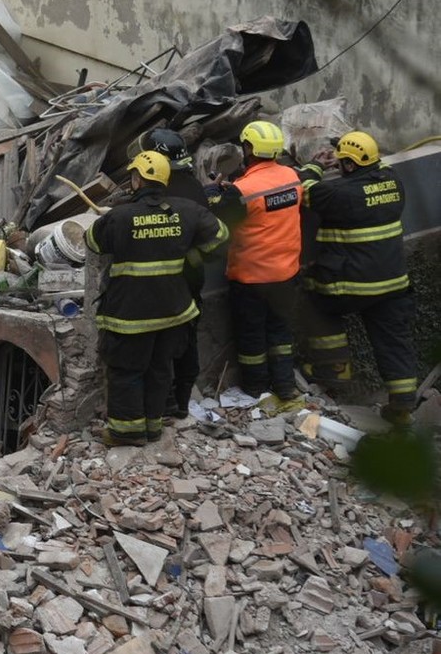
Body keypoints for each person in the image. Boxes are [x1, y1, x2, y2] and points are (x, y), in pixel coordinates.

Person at [87, 152, 228, 446]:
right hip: (172, 312)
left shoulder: (120, 216)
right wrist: (190, 255)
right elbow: (221, 238)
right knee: (159, 369)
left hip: (129, 315)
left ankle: (126, 433)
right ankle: (152, 427)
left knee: (126, 371)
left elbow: (92, 241)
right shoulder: (187, 210)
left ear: (138, 179)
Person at [299, 131, 416, 425]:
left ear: (349, 166)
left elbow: (307, 189)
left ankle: (334, 374)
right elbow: (376, 165)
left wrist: (314, 165)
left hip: (349, 284)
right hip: (392, 284)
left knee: (319, 307)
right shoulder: (395, 182)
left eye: (341, 163)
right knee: (393, 341)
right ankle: (402, 403)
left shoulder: (341, 194)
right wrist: (348, 143)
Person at [212, 120, 303, 407]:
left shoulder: (242, 190)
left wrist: (215, 194)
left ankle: (256, 389)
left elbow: (220, 220)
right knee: (280, 332)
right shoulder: (292, 177)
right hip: (287, 273)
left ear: (248, 148)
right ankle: (286, 387)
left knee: (252, 337)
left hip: (251, 278)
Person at [140, 128, 208, 417]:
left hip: (163, 285)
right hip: (191, 282)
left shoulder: (162, 191)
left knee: (158, 348)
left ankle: (165, 405)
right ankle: (180, 405)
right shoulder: (194, 187)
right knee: (186, 342)